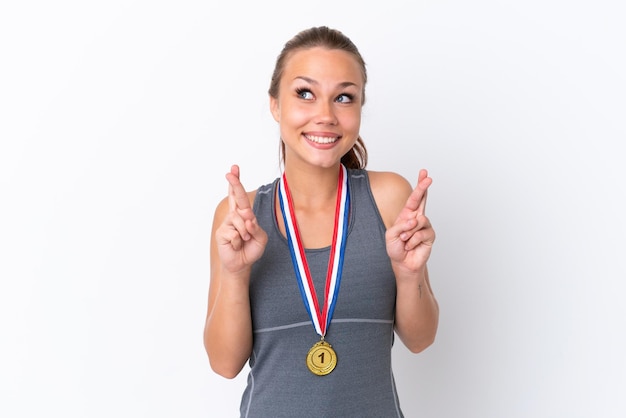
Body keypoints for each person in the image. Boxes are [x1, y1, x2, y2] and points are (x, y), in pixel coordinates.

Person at [203, 26, 439, 417]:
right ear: (275, 105)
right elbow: (224, 364)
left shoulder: (388, 198)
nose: (326, 115)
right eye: (305, 94)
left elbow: (421, 339)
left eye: (344, 97)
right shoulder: (239, 217)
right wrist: (234, 273)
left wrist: (408, 274)